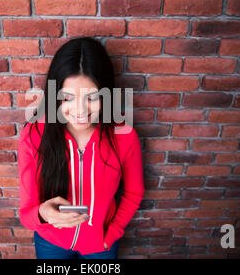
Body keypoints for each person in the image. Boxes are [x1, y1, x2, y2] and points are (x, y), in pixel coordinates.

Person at [17, 37, 145, 259]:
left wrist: (112, 233)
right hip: (50, 243)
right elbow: (26, 214)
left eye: (92, 98)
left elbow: (134, 193)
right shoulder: (33, 135)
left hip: (101, 246)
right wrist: (43, 214)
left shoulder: (124, 137)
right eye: (67, 98)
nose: (79, 110)